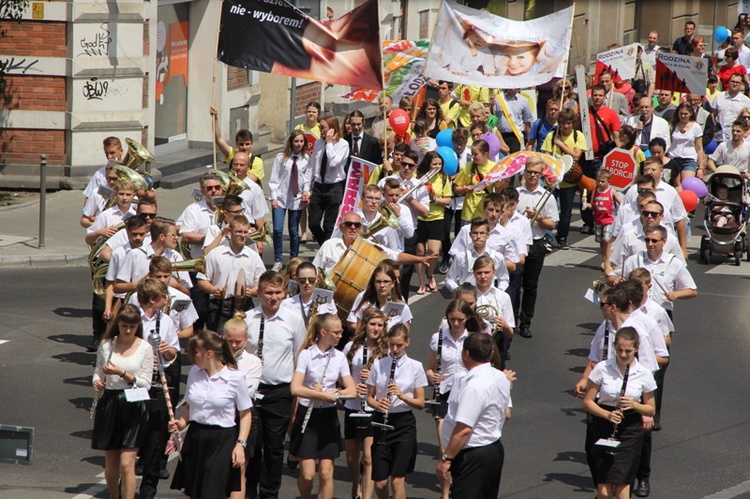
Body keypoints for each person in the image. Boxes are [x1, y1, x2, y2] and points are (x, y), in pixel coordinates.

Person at [243, 271, 308, 499]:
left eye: (278, 293)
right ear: (259, 293)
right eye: (268, 292)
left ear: (284, 293)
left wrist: (297, 395)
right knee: (253, 445)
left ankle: (269, 494)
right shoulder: (248, 318)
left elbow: (300, 355)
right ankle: (249, 492)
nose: (273, 297)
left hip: (280, 391)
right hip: (252, 391)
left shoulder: (293, 319)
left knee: (274, 446)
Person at [170, 330, 253, 499]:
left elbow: (245, 414)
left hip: (222, 440)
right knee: (193, 492)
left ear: (209, 354)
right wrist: (181, 423)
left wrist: (240, 444)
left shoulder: (235, 378)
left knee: (212, 491)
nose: (191, 356)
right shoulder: (194, 372)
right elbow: (189, 406)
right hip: (196, 437)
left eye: (195, 352)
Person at [436, 332, 513, 499]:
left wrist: (446, 459)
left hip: (473, 457)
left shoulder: (474, 386)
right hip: (493, 449)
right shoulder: (500, 377)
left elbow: (463, 430)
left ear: (466, 354)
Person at [583, 327, 656, 499]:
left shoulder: (644, 373)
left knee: (624, 489)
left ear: (636, 349)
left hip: (630, 430)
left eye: (628, 350)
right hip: (604, 425)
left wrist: (634, 405)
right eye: (620, 350)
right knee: (604, 490)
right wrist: (607, 414)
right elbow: (587, 402)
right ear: (614, 347)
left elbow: (651, 408)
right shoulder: (602, 368)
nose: (623, 354)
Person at [289, 313, 357, 499]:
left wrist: (334, 394)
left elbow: (351, 389)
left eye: (341, 331)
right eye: (336, 332)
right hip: (308, 417)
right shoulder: (306, 354)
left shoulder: (340, 357)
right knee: (308, 475)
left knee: (326, 474)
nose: (340, 335)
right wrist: (319, 394)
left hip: (328, 417)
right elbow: (295, 388)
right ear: (323, 332)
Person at [91, 305, 154, 499]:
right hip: (111, 401)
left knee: (127, 463)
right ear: (117, 324)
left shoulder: (145, 347)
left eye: (132, 326)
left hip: (134, 403)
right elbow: (98, 370)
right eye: (124, 325)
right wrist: (96, 382)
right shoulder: (107, 344)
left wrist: (122, 373)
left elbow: (146, 383)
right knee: (111, 464)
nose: (128, 330)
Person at [367, 324, 427, 499]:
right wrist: (378, 405)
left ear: (407, 342)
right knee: (379, 482)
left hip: (404, 424)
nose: (394, 349)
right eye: (391, 344)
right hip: (381, 421)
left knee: (397, 480)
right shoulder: (378, 365)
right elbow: (369, 398)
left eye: (399, 345)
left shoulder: (415, 367)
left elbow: (421, 403)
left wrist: (402, 395)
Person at [132, 278, 180, 499]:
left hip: (157, 382)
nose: (166, 300)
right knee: (132, 435)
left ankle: (148, 490)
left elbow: (172, 355)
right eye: (164, 297)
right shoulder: (130, 317)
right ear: (153, 299)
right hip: (134, 382)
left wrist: (167, 349)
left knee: (156, 437)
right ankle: (126, 482)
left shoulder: (167, 321)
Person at [426, 300, 478, 499]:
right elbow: (429, 367)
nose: (455, 324)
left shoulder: (473, 339)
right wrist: (431, 376)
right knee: (444, 447)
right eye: (452, 319)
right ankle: (445, 494)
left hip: (466, 394)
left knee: (463, 444)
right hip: (444, 393)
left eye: (460, 320)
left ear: (467, 319)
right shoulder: (437, 338)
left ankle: (459, 485)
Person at [197, 215, 265, 335]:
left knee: (244, 343)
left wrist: (253, 291)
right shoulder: (214, 254)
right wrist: (213, 289)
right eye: (238, 232)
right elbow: (202, 280)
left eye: (245, 232)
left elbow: (263, 283)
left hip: (245, 306)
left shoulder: (253, 257)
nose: (242, 235)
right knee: (218, 345)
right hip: (220, 306)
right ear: (230, 232)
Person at [515, 157, 558, 338]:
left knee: (531, 286)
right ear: (524, 172)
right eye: (529, 172)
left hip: (536, 243)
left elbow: (552, 225)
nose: (532, 176)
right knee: (514, 285)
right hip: (516, 244)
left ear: (541, 175)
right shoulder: (516, 193)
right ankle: (511, 320)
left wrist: (538, 218)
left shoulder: (547, 196)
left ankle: (525, 323)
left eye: (536, 173)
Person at [223, 313, 263, 499]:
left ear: (246, 340)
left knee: (239, 470)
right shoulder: (215, 359)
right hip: (220, 418)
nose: (233, 346)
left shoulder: (253, 362)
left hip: (243, 419)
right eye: (229, 340)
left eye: (238, 342)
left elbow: (247, 393)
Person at [541, 107, 587, 248]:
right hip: (553, 178)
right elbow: (546, 156)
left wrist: (560, 144)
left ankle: (562, 237)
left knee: (566, 212)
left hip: (569, 180)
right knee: (547, 209)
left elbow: (577, 155)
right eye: (563, 123)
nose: (566, 126)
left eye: (569, 123)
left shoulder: (577, 135)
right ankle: (547, 238)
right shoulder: (551, 135)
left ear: (573, 123)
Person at [269, 130, 312, 270]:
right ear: (291, 142)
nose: (299, 144)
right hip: (281, 198)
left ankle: (294, 260)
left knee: (294, 231)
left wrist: (306, 191)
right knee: (278, 229)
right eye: (296, 141)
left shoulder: (306, 159)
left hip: (296, 199)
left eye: (301, 141)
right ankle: (278, 259)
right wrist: (274, 197)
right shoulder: (281, 158)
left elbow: (307, 179)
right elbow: (274, 179)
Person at [309, 115, 350, 244]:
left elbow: (333, 163)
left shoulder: (343, 145)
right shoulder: (318, 143)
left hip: (334, 187)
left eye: (322, 127)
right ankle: (325, 246)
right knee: (313, 223)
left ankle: (325, 251)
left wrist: (330, 143)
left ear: (332, 129)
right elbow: (312, 165)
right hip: (319, 186)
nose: (320, 130)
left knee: (328, 225)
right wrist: (307, 187)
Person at [585, 84, 621, 233]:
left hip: (602, 157)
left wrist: (620, 154)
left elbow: (616, 135)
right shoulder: (585, 112)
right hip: (587, 156)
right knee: (588, 189)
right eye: (595, 95)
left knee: (600, 188)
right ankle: (588, 221)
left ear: (605, 97)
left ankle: (604, 219)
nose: (597, 98)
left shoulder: (611, 113)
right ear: (591, 96)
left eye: (600, 95)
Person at [415, 151, 452, 294]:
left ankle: (430, 274)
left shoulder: (443, 177)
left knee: (434, 252)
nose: (437, 167)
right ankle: (421, 282)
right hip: (420, 218)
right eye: (434, 164)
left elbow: (448, 199)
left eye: (440, 164)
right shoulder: (418, 176)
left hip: (437, 217)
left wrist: (435, 199)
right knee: (420, 251)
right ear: (428, 164)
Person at [348, 260, 412, 333]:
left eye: (386, 281)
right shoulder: (364, 302)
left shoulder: (400, 305)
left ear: (393, 283)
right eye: (378, 281)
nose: (382, 285)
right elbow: (354, 327)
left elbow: (404, 336)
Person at [210, 106, 264, 183]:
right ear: (236, 144)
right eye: (241, 144)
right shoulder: (232, 154)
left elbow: (248, 182)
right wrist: (215, 118)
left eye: (247, 144)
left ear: (252, 144)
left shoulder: (257, 161)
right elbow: (218, 139)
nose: (244, 147)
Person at [453, 139, 499, 224]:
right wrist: (465, 189)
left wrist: (505, 181)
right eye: (472, 154)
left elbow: (498, 190)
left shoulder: (494, 168)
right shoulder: (467, 167)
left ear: (485, 154)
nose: (473, 157)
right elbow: (456, 188)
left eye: (476, 154)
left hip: (486, 214)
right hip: (469, 214)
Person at [281, 261, 338, 325]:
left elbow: (335, 326)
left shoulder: (327, 302)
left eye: (311, 280)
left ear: (317, 279)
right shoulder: (287, 304)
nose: (307, 283)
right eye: (302, 280)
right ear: (297, 280)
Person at [667, 102, 705, 188]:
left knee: (687, 185)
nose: (683, 116)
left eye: (685, 114)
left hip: (689, 159)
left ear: (690, 114)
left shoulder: (696, 127)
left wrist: (701, 167)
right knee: (675, 186)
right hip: (674, 158)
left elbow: (699, 148)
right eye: (681, 113)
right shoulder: (672, 125)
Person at [593, 169, 621, 268]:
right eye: (598, 181)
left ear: (609, 182)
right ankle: (604, 260)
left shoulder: (611, 192)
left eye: (603, 181)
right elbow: (592, 205)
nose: (600, 183)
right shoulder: (595, 192)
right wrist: (584, 203)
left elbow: (620, 203)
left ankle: (608, 261)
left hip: (609, 220)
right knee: (601, 241)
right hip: (598, 220)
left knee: (607, 240)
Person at [712, 73, 750, 144]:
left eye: (737, 82)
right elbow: (713, 115)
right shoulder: (719, 97)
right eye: (732, 81)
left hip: (734, 137)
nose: (734, 84)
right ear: (729, 82)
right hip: (718, 136)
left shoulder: (746, 101)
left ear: (741, 84)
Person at [493, 88, 534, 153]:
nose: (512, 87)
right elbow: (493, 116)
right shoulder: (498, 99)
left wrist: (529, 144)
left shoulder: (524, 101)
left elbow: (527, 123)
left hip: (515, 136)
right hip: (500, 135)